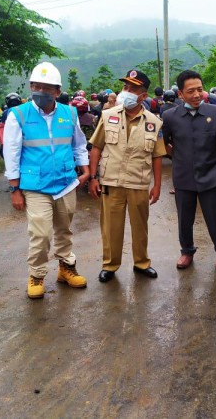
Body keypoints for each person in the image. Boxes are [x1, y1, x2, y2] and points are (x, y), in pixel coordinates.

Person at [3, 62, 90, 299]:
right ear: (31, 86)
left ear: (57, 90)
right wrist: (14, 188)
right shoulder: (18, 115)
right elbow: (11, 152)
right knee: (40, 233)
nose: (41, 91)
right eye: (36, 86)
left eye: (47, 87)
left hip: (65, 182)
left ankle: (66, 269)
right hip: (35, 186)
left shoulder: (69, 113)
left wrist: (85, 169)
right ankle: (37, 275)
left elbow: (79, 144)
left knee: (64, 230)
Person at [88, 69, 166, 283]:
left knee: (140, 227)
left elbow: (158, 156)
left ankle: (142, 263)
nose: (126, 91)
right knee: (111, 228)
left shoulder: (154, 122)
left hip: (138, 183)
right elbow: (96, 147)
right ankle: (110, 265)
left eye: (132, 88)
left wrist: (157, 185)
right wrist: (93, 177)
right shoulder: (108, 115)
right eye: (125, 87)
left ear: (143, 95)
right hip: (111, 181)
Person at [162, 70, 216, 271]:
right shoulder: (170, 116)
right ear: (180, 94)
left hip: (210, 176)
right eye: (190, 91)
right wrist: (176, 156)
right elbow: (163, 143)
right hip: (183, 177)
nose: (196, 95)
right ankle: (186, 252)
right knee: (185, 218)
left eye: (199, 89)